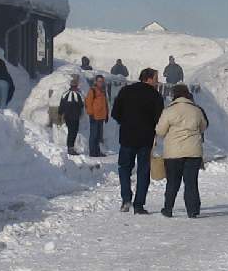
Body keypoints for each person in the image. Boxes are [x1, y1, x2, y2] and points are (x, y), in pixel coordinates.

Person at [111, 68, 165, 213]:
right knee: (143, 171)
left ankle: (126, 199)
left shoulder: (126, 91)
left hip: (127, 137)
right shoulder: (156, 96)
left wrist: (127, 122)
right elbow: (160, 119)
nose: (157, 81)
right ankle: (139, 205)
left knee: (124, 168)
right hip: (146, 139)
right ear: (148, 79)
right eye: (155, 78)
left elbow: (115, 113)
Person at [155, 84, 209, 218]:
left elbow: (160, 131)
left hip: (173, 153)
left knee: (172, 182)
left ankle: (168, 209)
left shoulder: (169, 111)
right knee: (191, 182)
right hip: (193, 152)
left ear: (174, 95)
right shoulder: (196, 110)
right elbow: (203, 126)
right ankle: (193, 210)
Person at [58, 75, 85, 154]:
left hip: (68, 116)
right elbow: (82, 105)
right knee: (73, 132)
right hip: (75, 117)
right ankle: (70, 148)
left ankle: (70, 147)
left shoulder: (65, 94)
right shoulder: (78, 94)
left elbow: (61, 105)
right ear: (76, 86)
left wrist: (60, 114)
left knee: (71, 131)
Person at [85, 75, 109, 156]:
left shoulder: (103, 91)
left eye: (102, 81)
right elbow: (88, 102)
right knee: (94, 135)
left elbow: (105, 104)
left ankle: (97, 151)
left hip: (101, 117)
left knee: (99, 136)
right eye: (99, 81)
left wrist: (106, 115)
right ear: (95, 82)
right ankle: (92, 152)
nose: (100, 83)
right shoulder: (92, 90)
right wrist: (91, 114)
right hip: (94, 116)